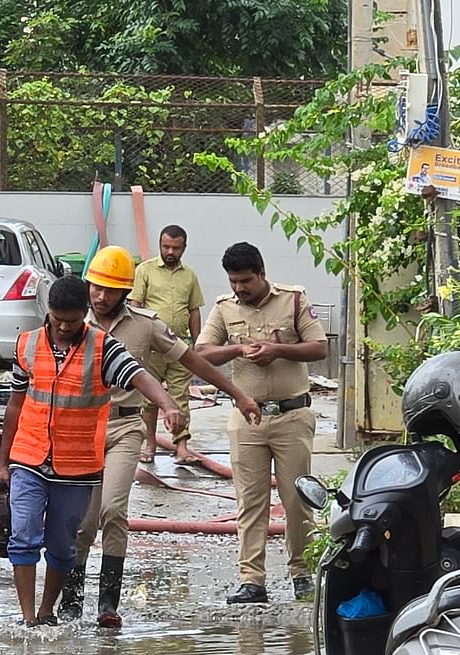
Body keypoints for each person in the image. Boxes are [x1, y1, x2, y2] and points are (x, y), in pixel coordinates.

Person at [62, 247, 262, 628]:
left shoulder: (145, 324)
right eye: (96, 288)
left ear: (126, 292)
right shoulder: (71, 319)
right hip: (80, 430)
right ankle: (70, 603)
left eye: (110, 290)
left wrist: (237, 394)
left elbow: (191, 360)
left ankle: (108, 604)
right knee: (82, 521)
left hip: (123, 427)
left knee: (113, 510)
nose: (101, 297)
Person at [0, 274, 183, 627]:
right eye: (57, 319)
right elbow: (15, 407)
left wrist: (168, 405)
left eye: (72, 320)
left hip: (77, 466)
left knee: (64, 544)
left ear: (85, 315)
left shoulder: (103, 347)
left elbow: (140, 376)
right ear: (48, 312)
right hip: (29, 457)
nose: (64, 327)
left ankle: (49, 610)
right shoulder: (27, 345)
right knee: (23, 534)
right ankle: (28, 617)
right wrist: (3, 463)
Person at [196, 242, 327, 605]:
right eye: (234, 281)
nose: (240, 288)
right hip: (247, 420)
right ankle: (252, 581)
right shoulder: (223, 309)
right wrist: (238, 350)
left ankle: (302, 573)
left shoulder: (294, 300)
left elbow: (319, 347)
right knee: (250, 502)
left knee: (297, 499)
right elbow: (202, 352)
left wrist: (278, 350)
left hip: (292, 416)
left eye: (246, 281)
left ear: (262, 273)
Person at [132, 226, 205, 465]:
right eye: (166, 246)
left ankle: (182, 447)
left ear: (184, 248)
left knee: (179, 397)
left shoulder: (190, 276)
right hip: (151, 347)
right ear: (160, 244)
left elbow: (194, 311)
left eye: (176, 247)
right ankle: (150, 444)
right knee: (149, 400)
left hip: (180, 347)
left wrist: (197, 344)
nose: (170, 251)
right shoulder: (145, 271)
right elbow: (135, 305)